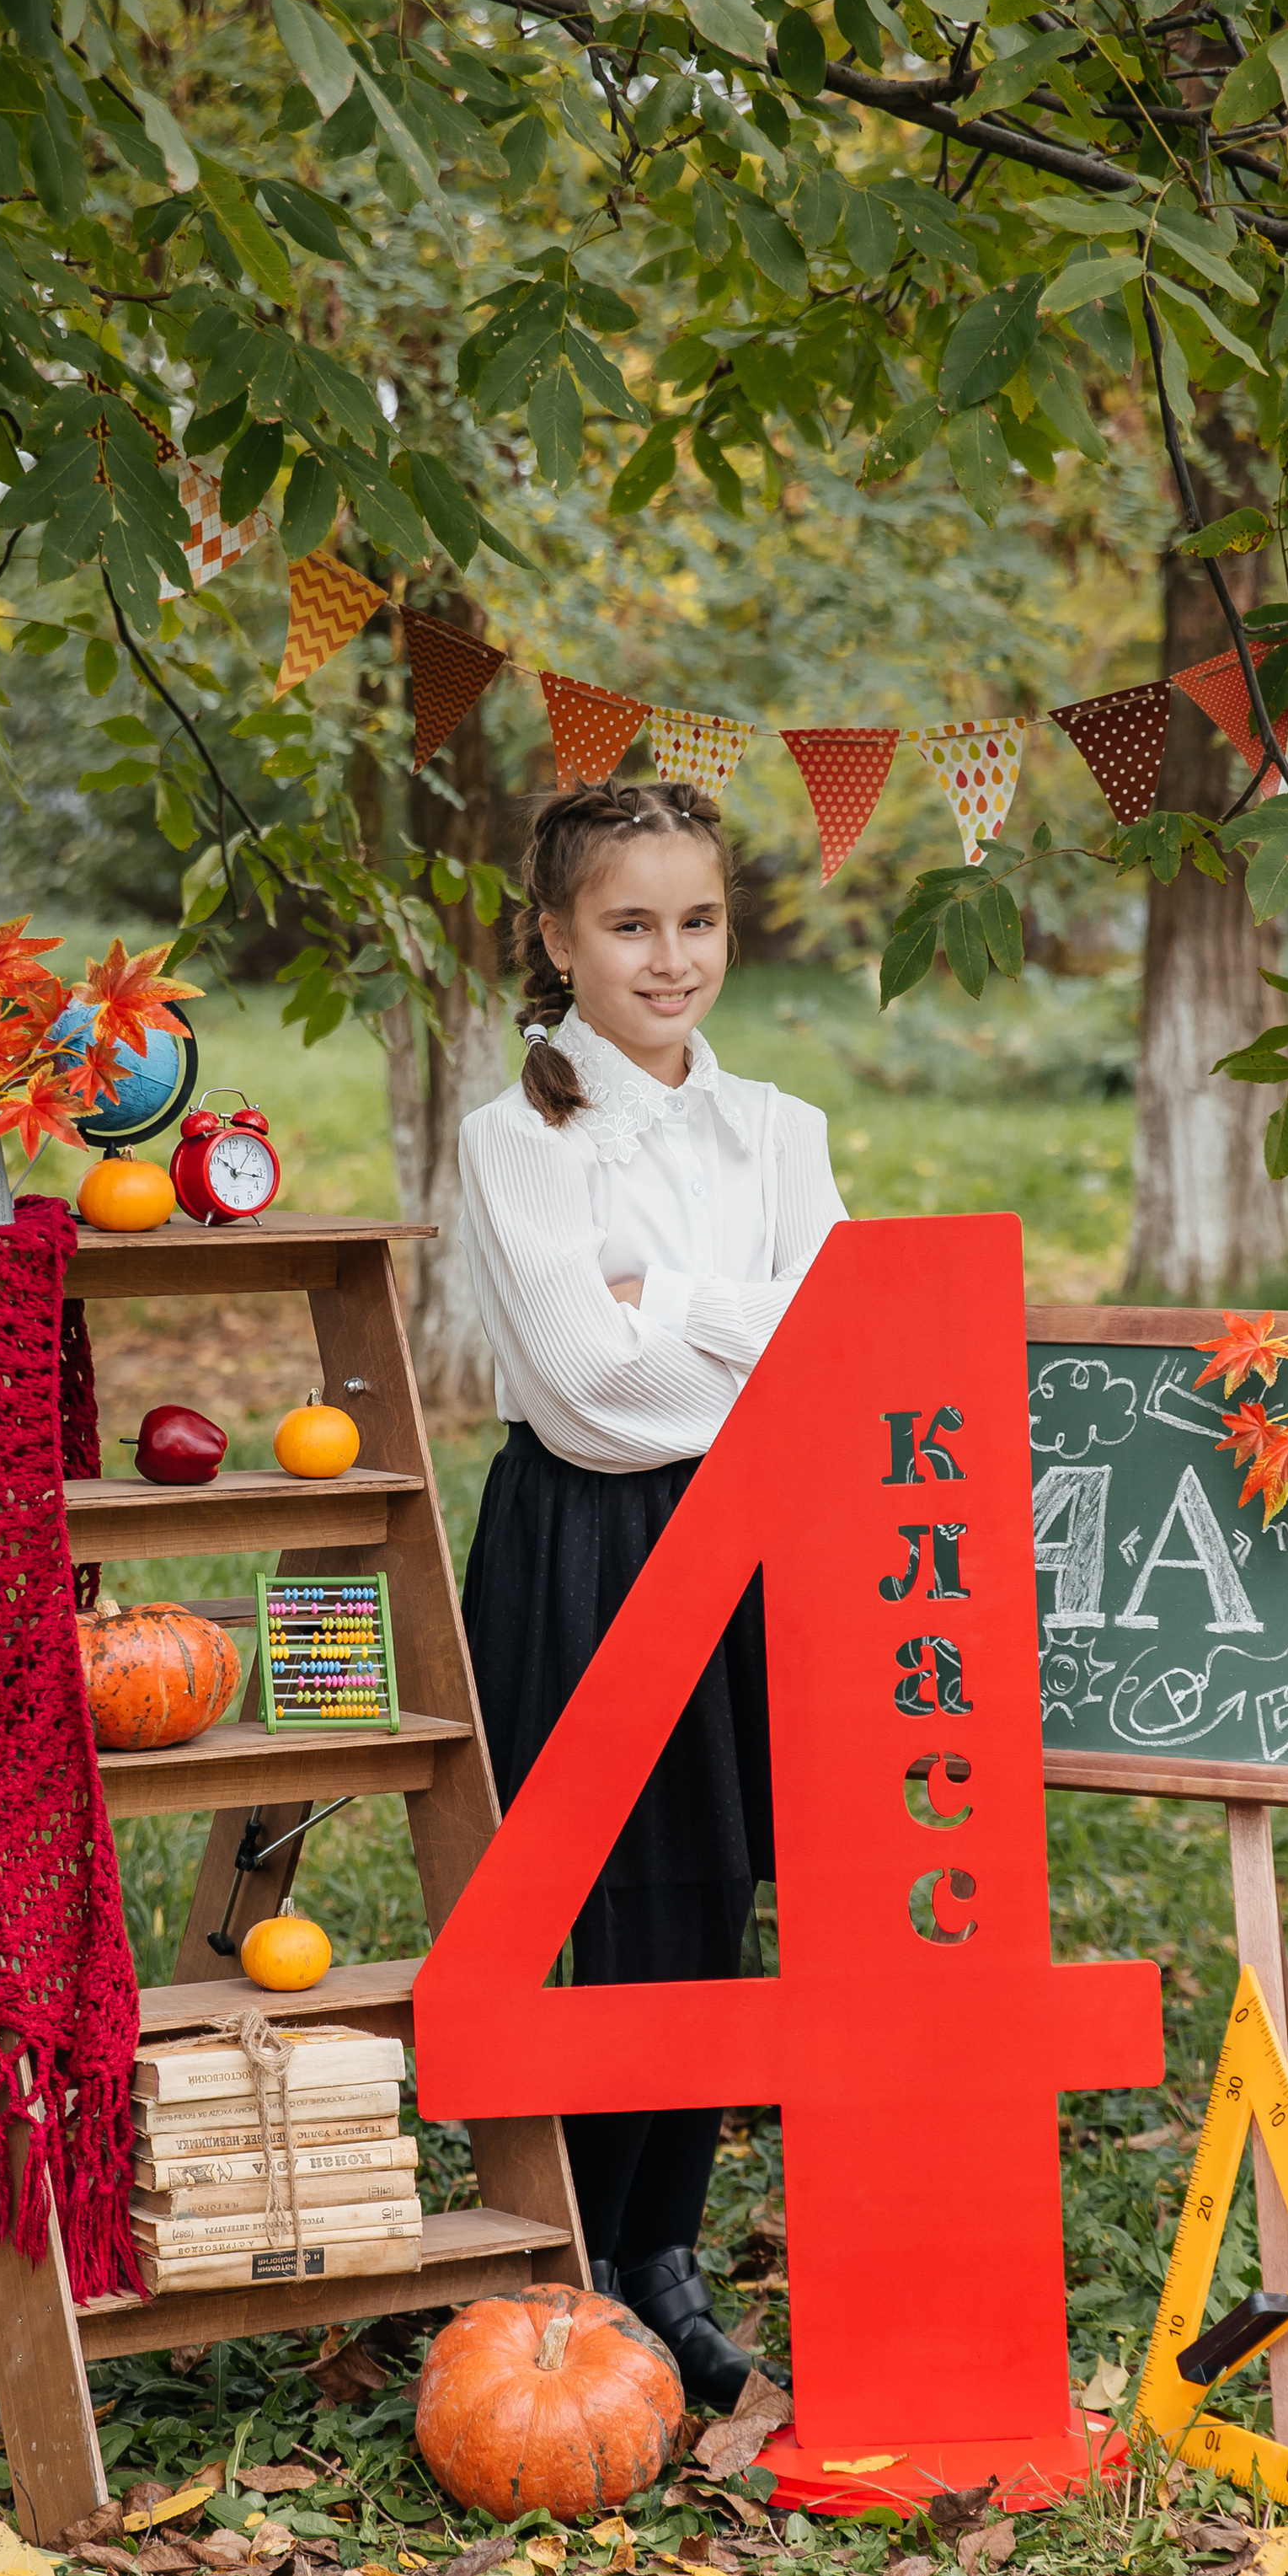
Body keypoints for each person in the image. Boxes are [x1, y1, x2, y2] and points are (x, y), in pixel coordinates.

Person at [455, 777, 847, 2408]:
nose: (669, 958)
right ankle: (577, 2253)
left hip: (759, 1538)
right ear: (555, 938)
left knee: (712, 1895)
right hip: (589, 1541)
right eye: (628, 925)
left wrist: (668, 1296)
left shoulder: (780, 1133)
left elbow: (844, 1348)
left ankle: (666, 2252)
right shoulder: (515, 1138)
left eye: (695, 921)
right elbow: (588, 1393)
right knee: (598, 1898)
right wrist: (753, 1327)